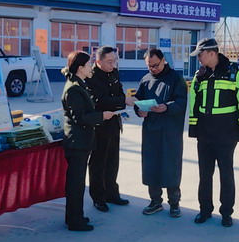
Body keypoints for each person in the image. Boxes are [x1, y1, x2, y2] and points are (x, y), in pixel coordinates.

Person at [188, 38, 239, 227]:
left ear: (212, 53)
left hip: (226, 132)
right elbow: (194, 102)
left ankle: (226, 213)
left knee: (226, 174)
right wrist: (194, 127)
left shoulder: (234, 72)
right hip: (205, 132)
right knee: (204, 174)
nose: (198, 58)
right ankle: (205, 210)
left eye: (200, 55)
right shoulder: (200, 75)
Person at [61, 51, 116, 231]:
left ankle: (74, 216)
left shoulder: (79, 84)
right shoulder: (73, 89)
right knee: (76, 184)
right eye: (88, 64)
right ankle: (75, 221)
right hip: (77, 142)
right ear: (80, 68)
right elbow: (80, 117)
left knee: (77, 183)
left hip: (81, 141)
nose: (91, 67)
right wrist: (102, 116)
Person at [135, 49, 187, 217]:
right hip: (151, 130)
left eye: (155, 65)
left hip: (170, 132)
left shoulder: (176, 79)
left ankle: (174, 203)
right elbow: (138, 100)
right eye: (149, 66)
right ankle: (155, 201)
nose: (153, 69)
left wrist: (166, 107)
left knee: (170, 166)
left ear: (163, 60)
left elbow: (181, 103)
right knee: (151, 166)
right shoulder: (145, 80)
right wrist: (139, 111)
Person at [86, 46, 136, 213]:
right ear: (98, 61)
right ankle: (98, 197)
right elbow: (99, 101)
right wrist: (123, 101)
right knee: (98, 163)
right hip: (99, 126)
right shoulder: (91, 76)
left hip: (114, 123)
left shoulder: (114, 72)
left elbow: (118, 92)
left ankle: (112, 193)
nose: (113, 65)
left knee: (112, 162)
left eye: (115, 61)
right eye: (109, 62)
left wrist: (122, 101)